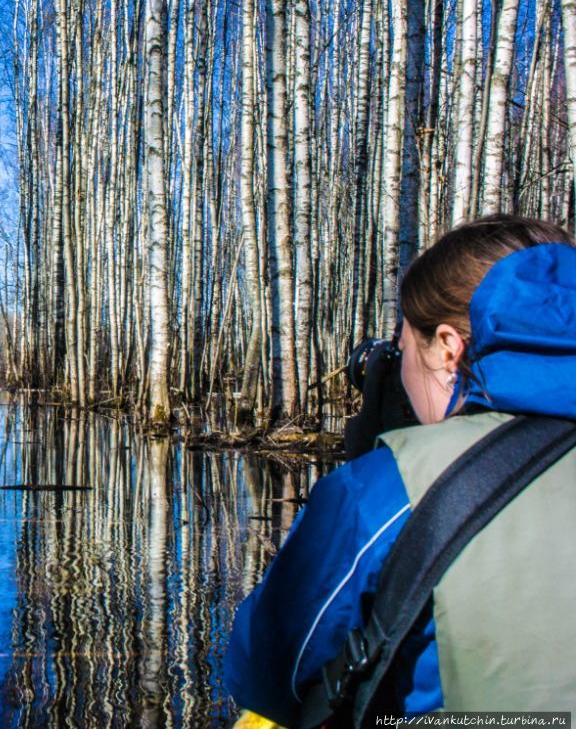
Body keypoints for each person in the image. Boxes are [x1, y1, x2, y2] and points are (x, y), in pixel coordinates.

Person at [224, 214, 576, 726]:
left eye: (406, 348)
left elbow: (267, 672)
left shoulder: (389, 489)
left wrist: (370, 470)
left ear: (450, 348)